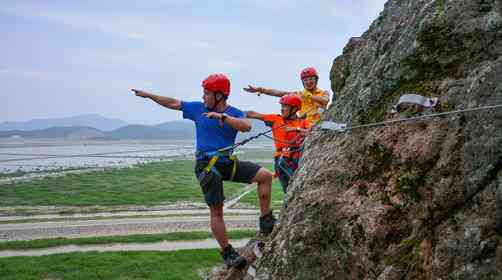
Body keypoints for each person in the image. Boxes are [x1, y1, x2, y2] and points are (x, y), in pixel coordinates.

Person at [131, 73, 276, 269]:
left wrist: (223, 117)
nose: (203, 97)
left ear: (219, 95)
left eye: (207, 93)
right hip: (207, 165)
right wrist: (149, 95)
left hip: (226, 163)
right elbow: (173, 103)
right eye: (204, 93)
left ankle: (266, 220)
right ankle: (227, 252)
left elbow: (246, 126)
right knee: (217, 211)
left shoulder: (233, 112)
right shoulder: (198, 109)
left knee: (265, 176)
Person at [245, 94, 311, 193]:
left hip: (297, 158)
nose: (282, 109)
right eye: (282, 106)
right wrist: (231, 113)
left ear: (294, 109)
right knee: (290, 190)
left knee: (295, 189)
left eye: (285, 106)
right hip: (282, 160)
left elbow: (314, 131)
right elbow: (254, 114)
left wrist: (296, 129)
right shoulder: (276, 119)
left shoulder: (303, 122)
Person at [243, 67, 330, 123]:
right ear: (302, 82)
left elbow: (325, 100)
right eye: (305, 80)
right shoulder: (299, 94)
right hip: (304, 124)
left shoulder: (324, 92)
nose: (308, 82)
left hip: (320, 123)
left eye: (311, 79)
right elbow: (278, 93)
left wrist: (309, 96)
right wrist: (260, 90)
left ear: (316, 80)